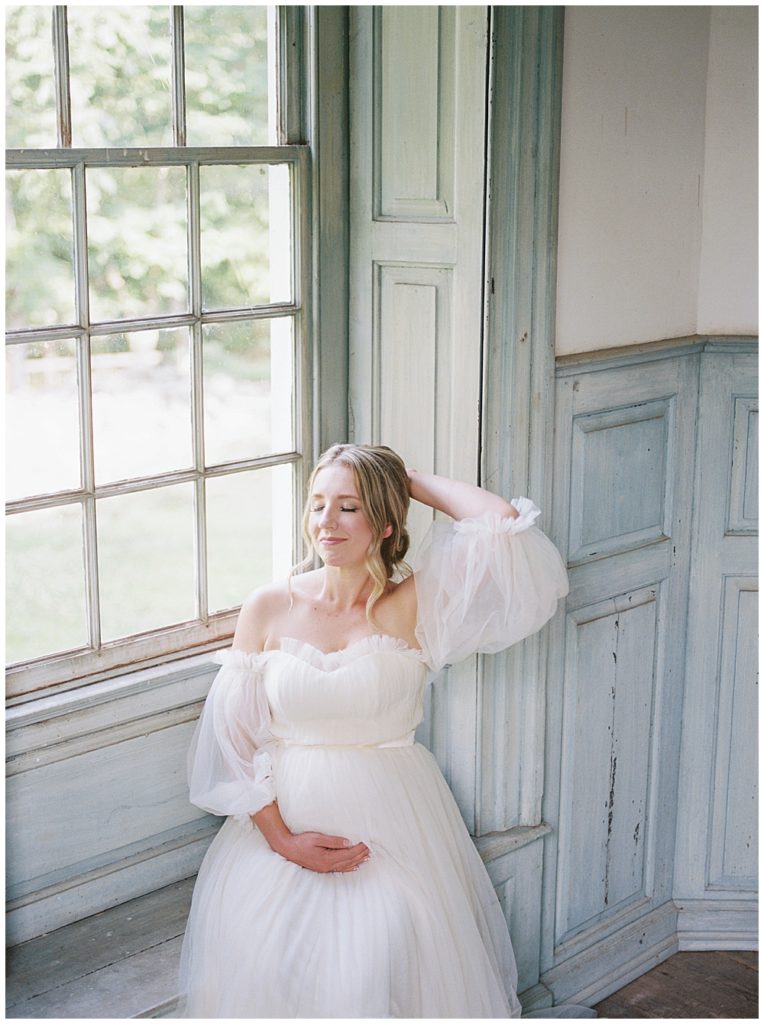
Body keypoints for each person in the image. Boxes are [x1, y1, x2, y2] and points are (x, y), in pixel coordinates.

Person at [178, 443, 592, 1018]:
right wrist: (283, 840)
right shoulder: (269, 606)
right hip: (282, 823)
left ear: (386, 521)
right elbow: (237, 739)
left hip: (392, 821)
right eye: (318, 504)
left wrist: (405, 478)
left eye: (349, 507)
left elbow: (501, 526)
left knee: (380, 941)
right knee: (269, 943)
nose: (326, 522)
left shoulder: (413, 605)